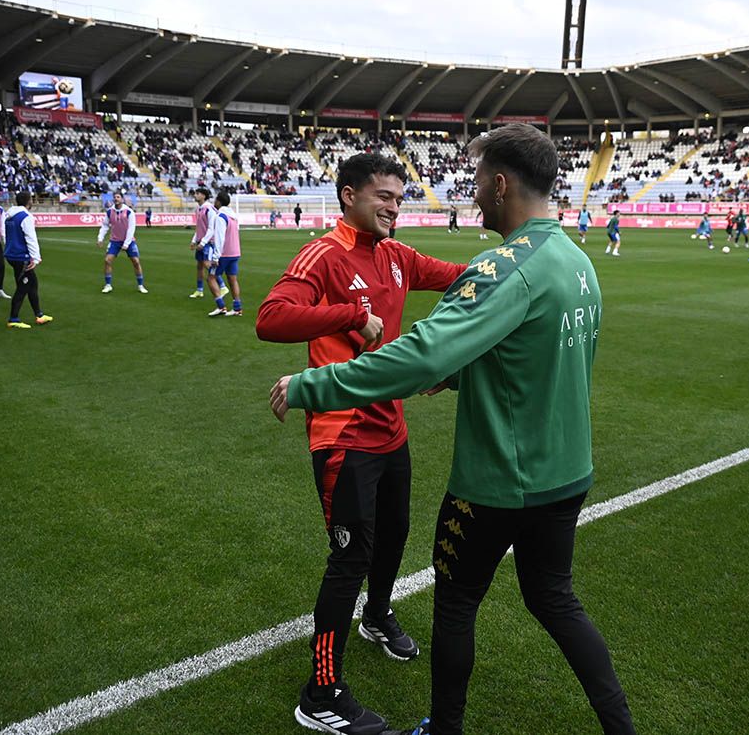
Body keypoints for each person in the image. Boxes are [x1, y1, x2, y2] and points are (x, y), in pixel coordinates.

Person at [270, 124, 637, 735]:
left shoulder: (503, 265)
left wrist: (315, 386)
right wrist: (466, 376)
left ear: (500, 183)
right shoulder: (577, 260)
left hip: (497, 481)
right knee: (555, 599)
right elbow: (534, 357)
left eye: (477, 179)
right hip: (567, 474)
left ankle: (442, 730)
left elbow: (422, 355)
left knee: (457, 604)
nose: (471, 190)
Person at [256, 152, 468, 735]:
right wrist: (352, 313)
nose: (394, 208)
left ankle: (377, 616)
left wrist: (513, 263)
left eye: (400, 198)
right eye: (383, 197)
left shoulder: (398, 255)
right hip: (342, 432)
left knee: (395, 534)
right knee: (349, 556)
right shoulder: (323, 254)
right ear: (349, 196)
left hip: (390, 427)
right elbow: (271, 318)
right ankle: (321, 693)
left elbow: (455, 274)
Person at [3, 191, 52, 329]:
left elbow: (6, 235)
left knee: (33, 284)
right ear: (28, 201)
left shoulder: (8, 216)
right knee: (23, 287)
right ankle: (13, 318)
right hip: (21, 256)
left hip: (11, 254)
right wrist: (35, 258)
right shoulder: (26, 217)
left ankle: (39, 314)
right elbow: (31, 238)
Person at [97, 191, 147, 294]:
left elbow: (131, 228)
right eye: (114, 197)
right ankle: (108, 285)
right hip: (115, 241)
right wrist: (100, 238)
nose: (116, 199)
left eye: (118, 197)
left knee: (136, 262)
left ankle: (140, 285)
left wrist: (126, 244)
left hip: (129, 241)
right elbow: (105, 225)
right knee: (107, 261)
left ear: (122, 199)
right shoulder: (110, 212)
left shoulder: (129, 212)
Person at [208, 190, 243, 317]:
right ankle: (237, 308)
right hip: (235, 252)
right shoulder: (233, 217)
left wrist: (216, 256)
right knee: (232, 279)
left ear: (219, 201)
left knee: (211, 278)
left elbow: (220, 237)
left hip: (224, 254)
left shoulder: (221, 217)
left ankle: (221, 306)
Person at [189, 188, 226, 299]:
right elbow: (199, 227)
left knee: (207, 264)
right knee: (199, 266)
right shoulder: (198, 209)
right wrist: (194, 240)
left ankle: (223, 286)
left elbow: (211, 228)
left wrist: (204, 242)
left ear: (204, 196)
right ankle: (199, 290)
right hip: (201, 241)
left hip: (208, 242)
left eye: (197, 193)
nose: (195, 195)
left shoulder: (209, 209)